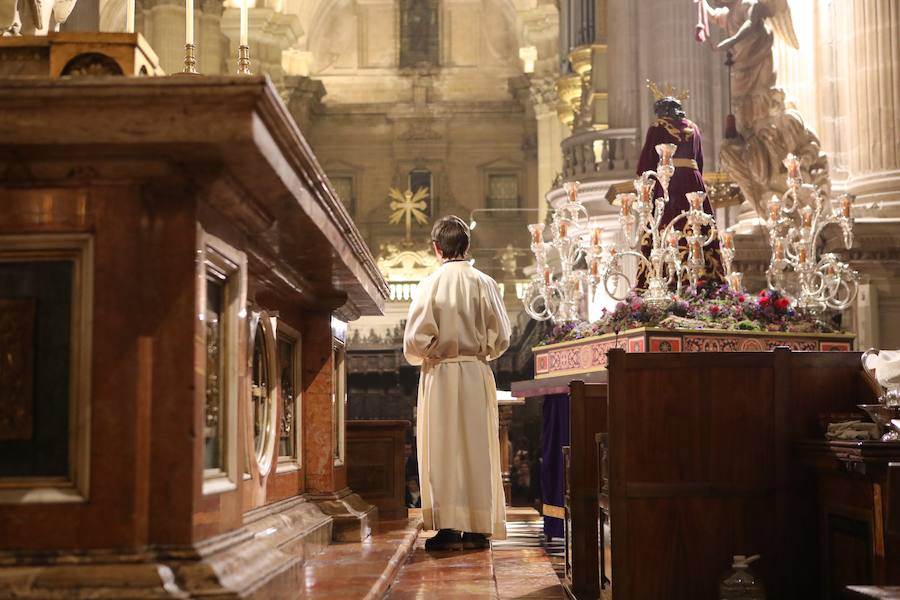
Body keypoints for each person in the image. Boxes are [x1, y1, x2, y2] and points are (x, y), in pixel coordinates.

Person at [403, 215, 511, 551]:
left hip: (441, 373)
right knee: (478, 448)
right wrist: (480, 352)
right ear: (468, 246)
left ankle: (448, 527)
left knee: (442, 449)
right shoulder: (486, 283)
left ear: (436, 248)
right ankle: (479, 528)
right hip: (476, 372)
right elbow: (502, 337)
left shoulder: (429, 285)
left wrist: (433, 351)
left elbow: (414, 342)